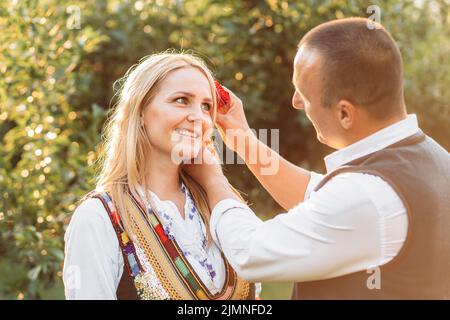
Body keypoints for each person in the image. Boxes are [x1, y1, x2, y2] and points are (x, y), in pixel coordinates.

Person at [184, 17, 450, 299]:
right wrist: (243, 139)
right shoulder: (433, 159)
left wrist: (212, 178)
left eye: (304, 94)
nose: (295, 101)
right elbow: (314, 195)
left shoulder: (368, 195)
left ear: (344, 113)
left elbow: (251, 253)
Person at [63, 52, 256, 300]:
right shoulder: (99, 218)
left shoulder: (224, 204)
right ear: (141, 111)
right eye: (181, 100)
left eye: (207, 106)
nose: (199, 116)